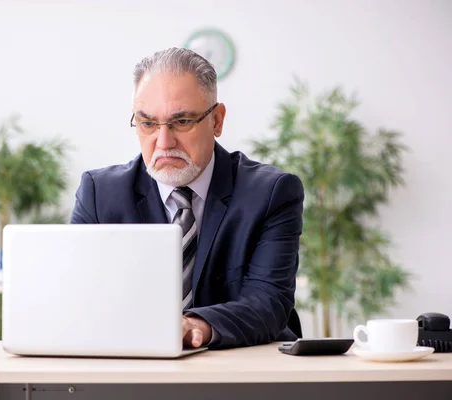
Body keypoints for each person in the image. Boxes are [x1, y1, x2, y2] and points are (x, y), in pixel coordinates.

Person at [70, 47, 304, 350]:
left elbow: (268, 304)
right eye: (148, 123)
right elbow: (80, 300)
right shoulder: (99, 194)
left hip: (241, 369)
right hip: (134, 367)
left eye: (181, 122)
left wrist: (196, 326)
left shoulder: (271, 193)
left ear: (217, 121)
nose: (163, 142)